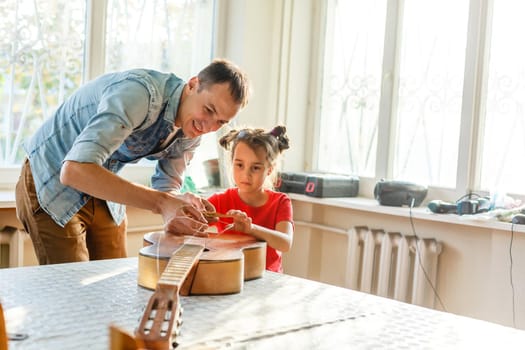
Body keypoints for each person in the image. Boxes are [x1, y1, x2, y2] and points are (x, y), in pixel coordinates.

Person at [15, 58, 251, 265]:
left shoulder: (192, 130)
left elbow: (166, 187)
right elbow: (74, 171)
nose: (208, 126)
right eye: (208, 110)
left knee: (112, 286)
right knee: (73, 290)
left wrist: (179, 207)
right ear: (192, 85)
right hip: (52, 176)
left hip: (101, 178)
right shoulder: (140, 93)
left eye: (220, 122)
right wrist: (163, 203)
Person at [207, 125, 294, 273]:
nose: (245, 175)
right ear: (231, 163)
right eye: (239, 165)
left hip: (267, 280)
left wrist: (251, 229)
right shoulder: (219, 201)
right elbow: (192, 226)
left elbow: (285, 243)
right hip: (227, 275)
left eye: (255, 168)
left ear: (269, 170)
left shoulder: (281, 202)